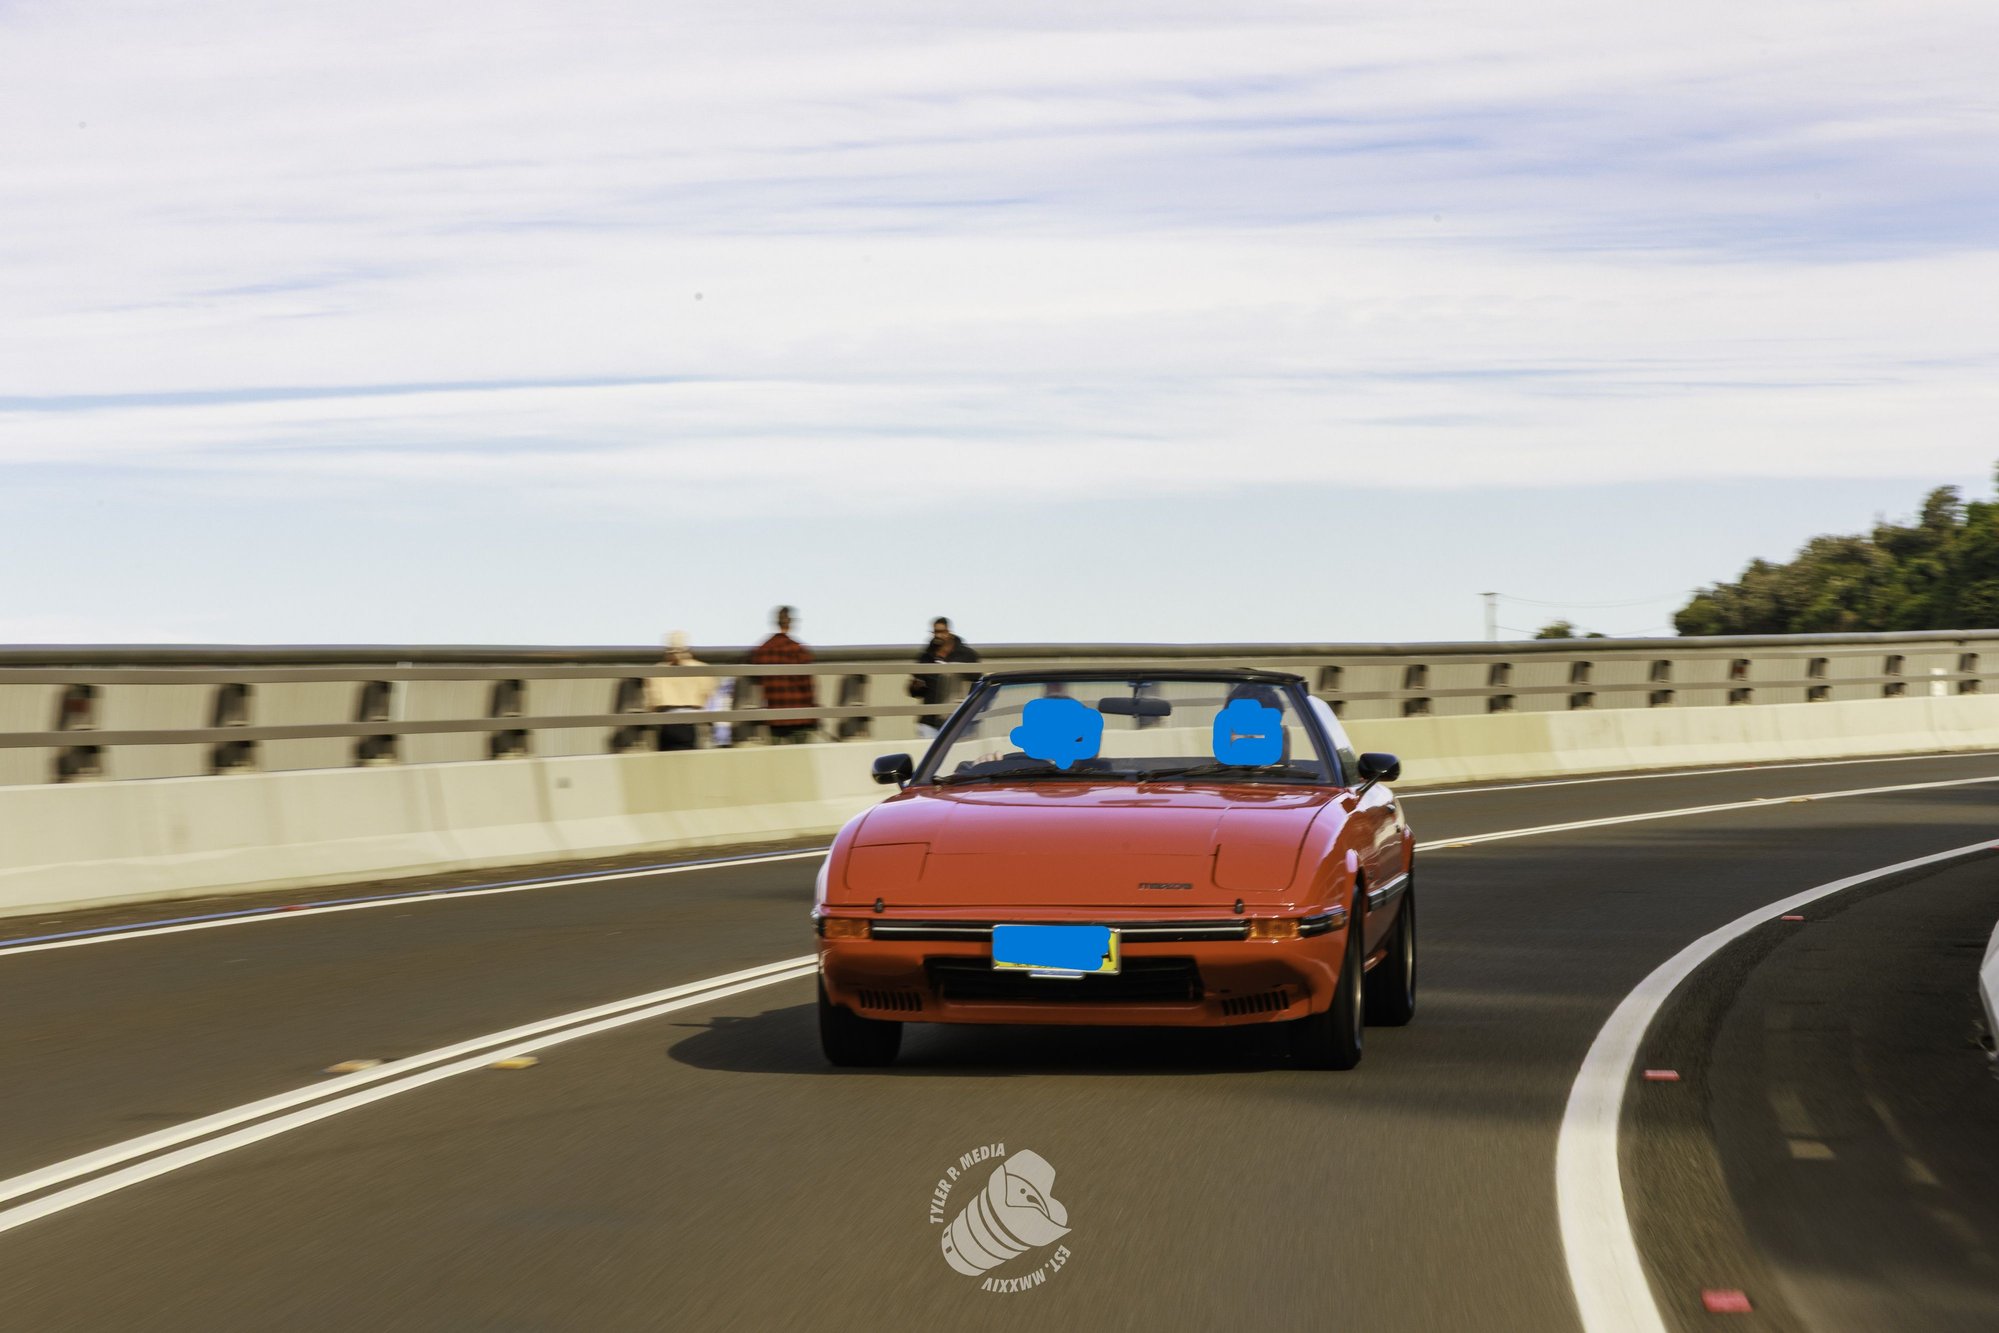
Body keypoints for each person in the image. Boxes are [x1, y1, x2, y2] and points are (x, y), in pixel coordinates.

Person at [749, 605, 817, 743]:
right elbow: (808, 686)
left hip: (774, 716)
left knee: (777, 758)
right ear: (790, 622)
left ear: (775, 621)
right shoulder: (799, 650)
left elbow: (755, 676)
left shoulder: (762, 650)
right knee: (799, 757)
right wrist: (814, 715)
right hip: (799, 715)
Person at [912, 616, 980, 737]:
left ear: (949, 632)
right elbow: (917, 691)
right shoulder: (925, 657)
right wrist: (916, 686)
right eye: (935, 632)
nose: (938, 636)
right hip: (930, 722)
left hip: (958, 719)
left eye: (941, 632)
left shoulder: (966, 654)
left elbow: (977, 680)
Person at [646, 630, 708, 751]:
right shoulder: (701, 669)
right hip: (691, 722)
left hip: (667, 722)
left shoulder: (657, 670)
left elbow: (653, 700)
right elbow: (706, 694)